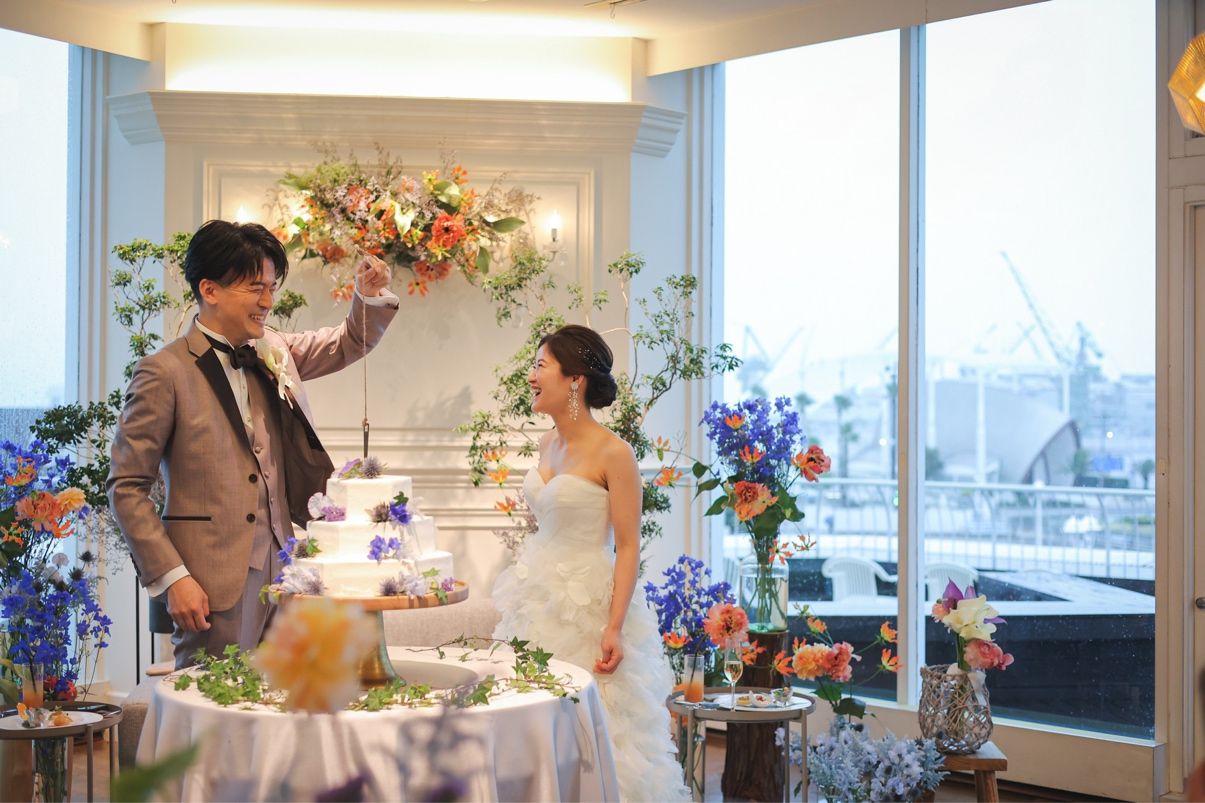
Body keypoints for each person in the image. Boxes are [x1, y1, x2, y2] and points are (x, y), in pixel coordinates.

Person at [108, 220, 398, 668]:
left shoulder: (273, 348)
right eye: (254, 288)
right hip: (211, 583)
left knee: (289, 698)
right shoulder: (163, 372)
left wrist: (368, 296)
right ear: (210, 289)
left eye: (271, 287)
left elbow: (347, 342)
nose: (267, 302)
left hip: (287, 571)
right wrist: (172, 577)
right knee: (213, 703)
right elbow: (126, 487)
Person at [491, 324, 690, 802]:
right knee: (535, 724)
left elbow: (628, 546)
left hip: (589, 607)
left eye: (541, 366)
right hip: (537, 600)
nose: (531, 376)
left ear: (575, 380)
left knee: (593, 730)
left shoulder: (614, 453)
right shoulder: (547, 444)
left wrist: (614, 626)